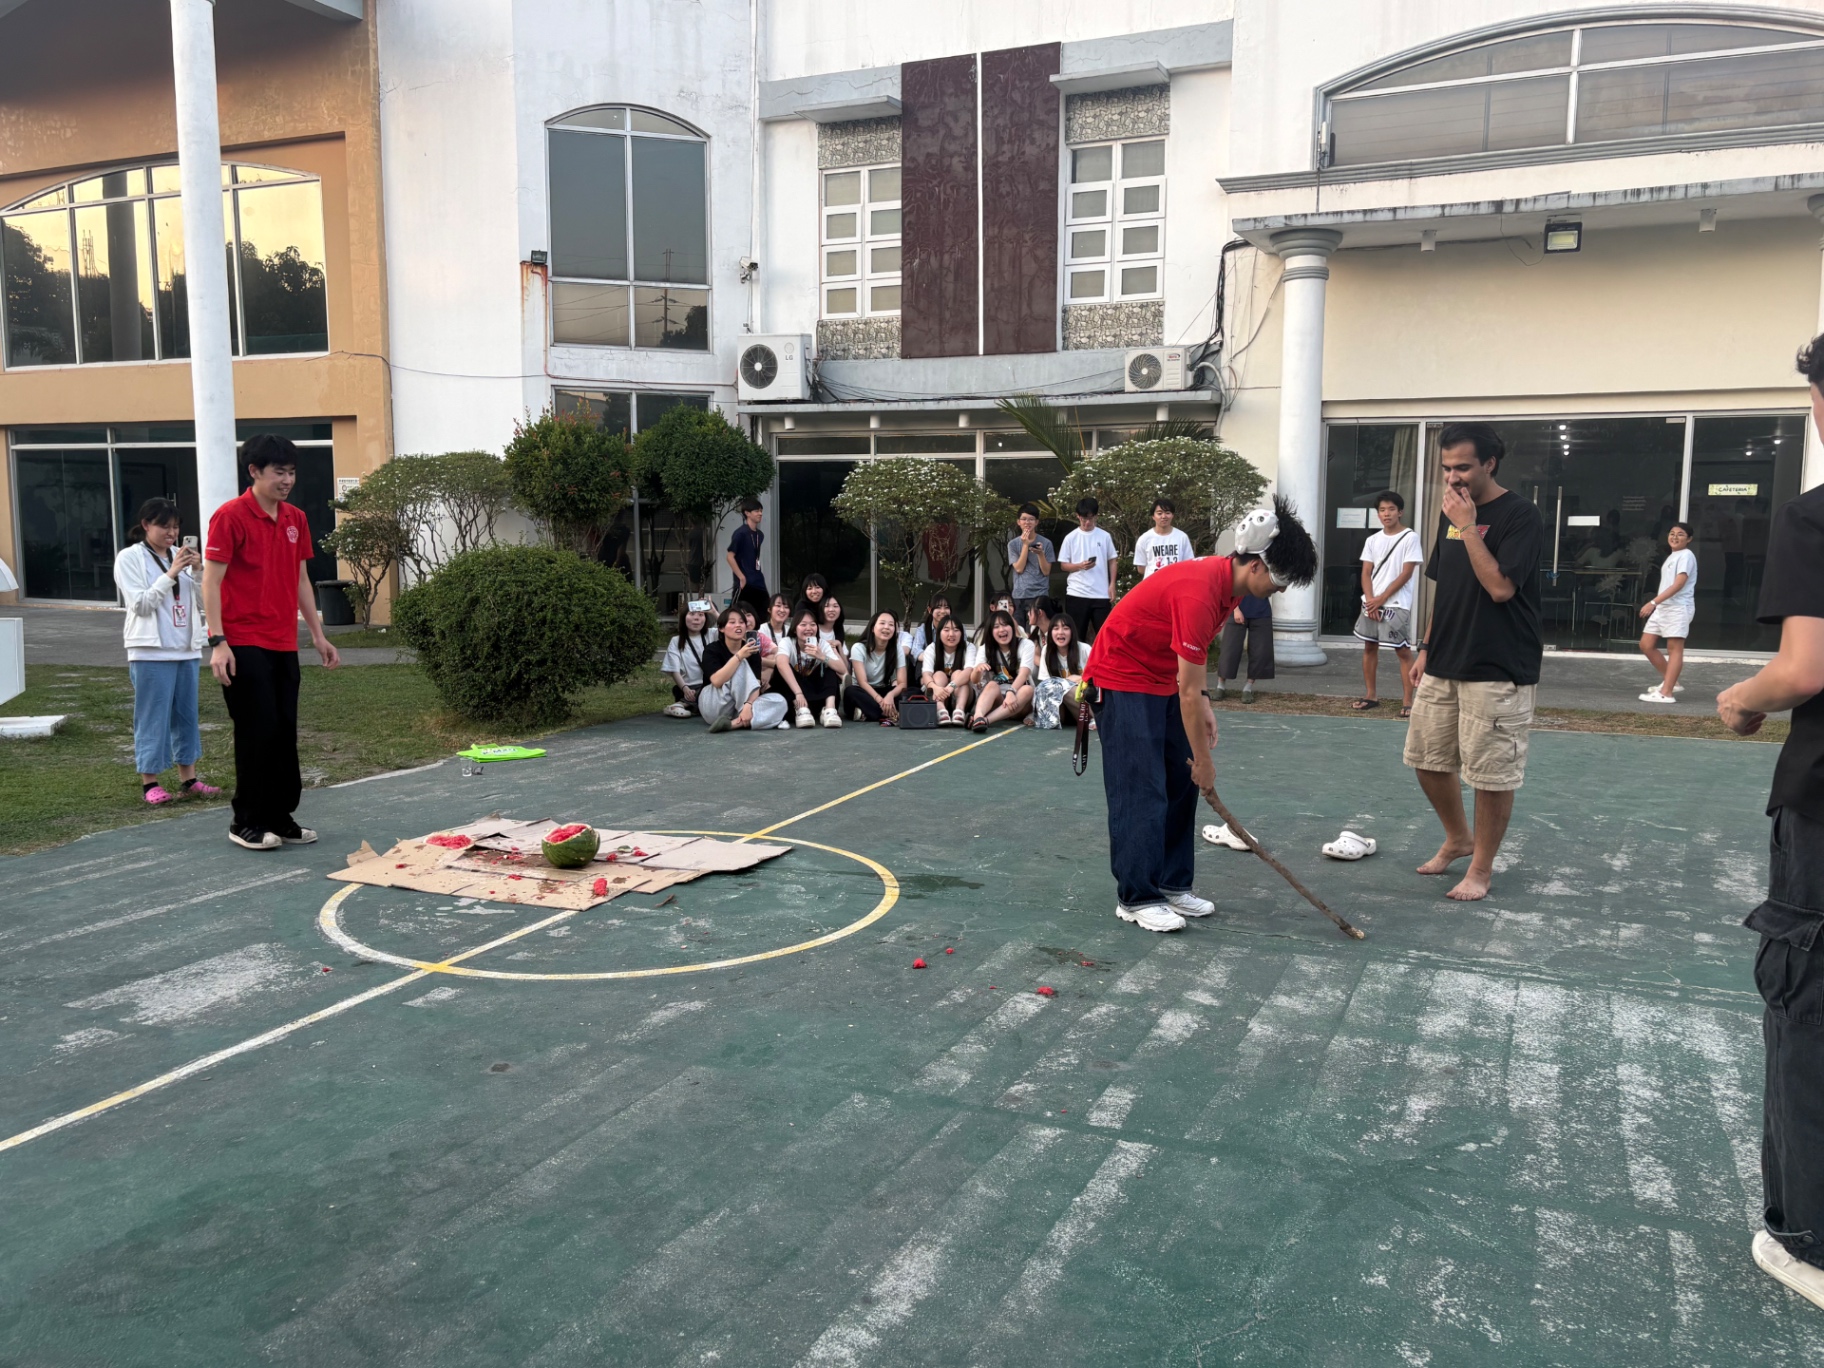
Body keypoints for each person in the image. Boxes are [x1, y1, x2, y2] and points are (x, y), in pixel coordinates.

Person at [1718, 336, 1824, 1312]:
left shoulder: (1813, 517)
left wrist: (1742, 698)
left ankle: (1808, 1239)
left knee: (1808, 1009)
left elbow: (1802, 669)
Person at [1084, 497, 1318, 933]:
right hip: (1121, 676)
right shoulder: (1200, 591)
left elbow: (1193, 680)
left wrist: (1206, 700)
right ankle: (1137, 896)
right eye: (1280, 580)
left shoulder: (1230, 586)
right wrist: (1205, 762)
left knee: (1180, 783)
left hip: (1160, 676)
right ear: (1255, 565)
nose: (1282, 590)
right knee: (1142, 787)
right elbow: (1187, 694)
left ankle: (1172, 884)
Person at [1404, 422, 1544, 903]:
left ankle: (1480, 868)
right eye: (1446, 468)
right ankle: (1458, 838)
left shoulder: (1520, 515)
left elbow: (1500, 588)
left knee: (1490, 775)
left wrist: (1467, 526)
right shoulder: (1452, 512)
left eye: (1462, 467)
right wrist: (1426, 648)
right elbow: (1445, 588)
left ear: (1490, 463)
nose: (1452, 478)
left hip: (1499, 665)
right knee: (1426, 759)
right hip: (1445, 659)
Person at [201, 434, 340, 851]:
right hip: (242, 641)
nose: (287, 480)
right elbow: (211, 581)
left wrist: (317, 634)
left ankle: (280, 816)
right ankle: (246, 820)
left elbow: (300, 579)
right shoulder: (230, 516)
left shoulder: (296, 518)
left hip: (283, 641)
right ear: (254, 471)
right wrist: (218, 641)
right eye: (279, 472)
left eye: (292, 472)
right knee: (256, 729)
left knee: (283, 731)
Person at [113, 497, 220, 805]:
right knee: (153, 717)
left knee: (186, 716)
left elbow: (203, 602)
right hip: (150, 650)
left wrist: (198, 572)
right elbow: (140, 604)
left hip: (185, 648)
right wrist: (171, 573)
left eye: (175, 527)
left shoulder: (180, 556)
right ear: (146, 525)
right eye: (164, 526)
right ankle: (151, 783)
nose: (171, 533)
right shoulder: (130, 558)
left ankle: (190, 779)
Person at [1353, 490, 1425, 716]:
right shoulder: (1372, 540)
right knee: (1369, 646)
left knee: (1402, 650)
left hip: (1395, 604)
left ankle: (1408, 701)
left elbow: (1406, 573)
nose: (1387, 514)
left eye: (1391, 509)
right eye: (1382, 510)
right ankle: (1370, 695)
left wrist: (1381, 600)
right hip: (1371, 603)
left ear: (1400, 512)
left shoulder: (1410, 537)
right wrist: (1371, 601)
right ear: (1378, 514)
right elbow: (1366, 572)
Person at [698, 606, 788, 732]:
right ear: (721, 628)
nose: (738, 625)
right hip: (715, 703)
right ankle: (752, 718)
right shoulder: (712, 650)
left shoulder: (753, 652)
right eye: (732, 622)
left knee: (780, 702)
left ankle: (733, 724)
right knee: (742, 665)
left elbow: (756, 685)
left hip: (741, 708)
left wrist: (748, 704)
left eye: (741, 622)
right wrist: (739, 656)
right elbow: (717, 681)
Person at [1639, 522, 1698, 704]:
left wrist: (1653, 602)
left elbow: (1679, 584)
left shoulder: (1686, 555)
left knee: (1674, 649)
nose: (1675, 537)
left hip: (1678, 608)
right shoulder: (1673, 556)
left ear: (1689, 539)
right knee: (1646, 644)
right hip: (1664, 607)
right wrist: (1658, 604)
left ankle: (1667, 693)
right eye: (1672, 533)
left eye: (1680, 534)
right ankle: (1672, 682)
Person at [771, 606, 848, 728]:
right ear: (795, 629)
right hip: (794, 697)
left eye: (812, 624)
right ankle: (801, 710)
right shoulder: (787, 642)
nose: (808, 628)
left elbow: (843, 670)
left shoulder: (822, 644)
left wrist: (822, 656)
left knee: (829, 666)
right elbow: (781, 664)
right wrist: (798, 693)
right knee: (781, 669)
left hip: (818, 695)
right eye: (803, 625)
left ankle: (829, 710)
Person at [1058, 497, 1120, 641]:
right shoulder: (1070, 538)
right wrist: (1080, 566)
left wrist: (1112, 584)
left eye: (1091, 518)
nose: (1087, 522)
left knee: (1105, 637)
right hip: (1077, 593)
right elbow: (1063, 565)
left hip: (1101, 594)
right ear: (1078, 516)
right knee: (1076, 638)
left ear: (1096, 516)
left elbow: (1112, 560)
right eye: (1084, 519)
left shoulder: (1104, 536)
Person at [965, 608, 1035, 731]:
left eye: (1005, 625)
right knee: (992, 685)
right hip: (997, 702)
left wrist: (1011, 692)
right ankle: (979, 716)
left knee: (1027, 689)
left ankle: (985, 721)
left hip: (1020, 702)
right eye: (996, 627)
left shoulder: (1026, 645)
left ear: (1012, 627)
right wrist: (977, 670)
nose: (1002, 629)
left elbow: (1024, 674)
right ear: (990, 631)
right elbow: (974, 680)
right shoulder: (985, 649)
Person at [847, 611, 909, 724]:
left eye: (891, 625)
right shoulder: (858, 648)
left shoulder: (897, 648)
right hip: (864, 691)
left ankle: (871, 713)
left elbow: (902, 683)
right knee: (850, 692)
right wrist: (881, 701)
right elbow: (862, 682)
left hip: (884, 689)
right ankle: (892, 712)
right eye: (882, 623)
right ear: (872, 628)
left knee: (914, 692)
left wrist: (890, 695)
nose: (887, 627)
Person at [1031, 612, 1091, 730]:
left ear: (1072, 631)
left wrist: (1078, 679)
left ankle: (1096, 719)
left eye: (1065, 628)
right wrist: (1067, 681)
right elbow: (1045, 685)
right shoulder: (1047, 650)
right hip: (1062, 709)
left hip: (1084, 702)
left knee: (1065, 689)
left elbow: (1097, 679)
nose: (1060, 632)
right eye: (1056, 628)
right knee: (1047, 690)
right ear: (1050, 632)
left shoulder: (1084, 649)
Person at [661, 599, 715, 718]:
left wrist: (714, 612)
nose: (696, 618)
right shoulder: (676, 641)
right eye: (692, 614)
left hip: (712, 684)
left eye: (701, 614)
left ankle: (683, 704)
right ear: (684, 618)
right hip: (690, 687)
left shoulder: (712, 634)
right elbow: (674, 670)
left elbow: (730, 628)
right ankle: (683, 704)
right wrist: (685, 689)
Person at [1214, 594, 1273, 702]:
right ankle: (1220, 686)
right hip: (1236, 609)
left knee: (1260, 651)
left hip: (1261, 612)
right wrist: (1236, 610)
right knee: (1229, 649)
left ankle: (1248, 688)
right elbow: (1230, 589)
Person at [1007, 503, 1055, 629]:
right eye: (1024, 519)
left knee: (1035, 633)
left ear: (1037, 522)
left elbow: (1046, 571)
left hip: (1039, 595)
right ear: (1018, 522)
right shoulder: (1013, 544)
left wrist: (1040, 554)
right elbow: (1019, 568)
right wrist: (1025, 544)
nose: (1027, 522)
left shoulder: (1046, 543)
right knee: (1020, 633)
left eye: (1031, 519)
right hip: (1019, 595)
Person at [920, 615, 973, 726]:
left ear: (962, 633)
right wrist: (935, 688)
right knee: (939, 675)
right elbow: (926, 674)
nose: (951, 634)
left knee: (959, 674)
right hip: (937, 695)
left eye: (956, 630)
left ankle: (959, 711)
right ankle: (941, 710)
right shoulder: (932, 648)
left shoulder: (969, 647)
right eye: (946, 630)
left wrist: (950, 687)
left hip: (962, 696)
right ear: (939, 632)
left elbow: (969, 671)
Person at [725, 498, 769, 616]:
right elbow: (730, 556)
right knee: (737, 613)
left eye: (761, 511)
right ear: (747, 513)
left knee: (763, 613)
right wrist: (741, 577)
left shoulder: (760, 535)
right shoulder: (741, 533)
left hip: (758, 581)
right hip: (744, 582)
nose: (760, 513)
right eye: (756, 511)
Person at [1133, 498, 1196, 579]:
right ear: (1153, 516)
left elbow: (1189, 564)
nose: (1163, 516)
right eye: (1159, 513)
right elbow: (1141, 568)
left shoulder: (1182, 537)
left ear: (1172, 515)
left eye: (1167, 513)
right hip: (1153, 583)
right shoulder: (1144, 539)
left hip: (1176, 582)